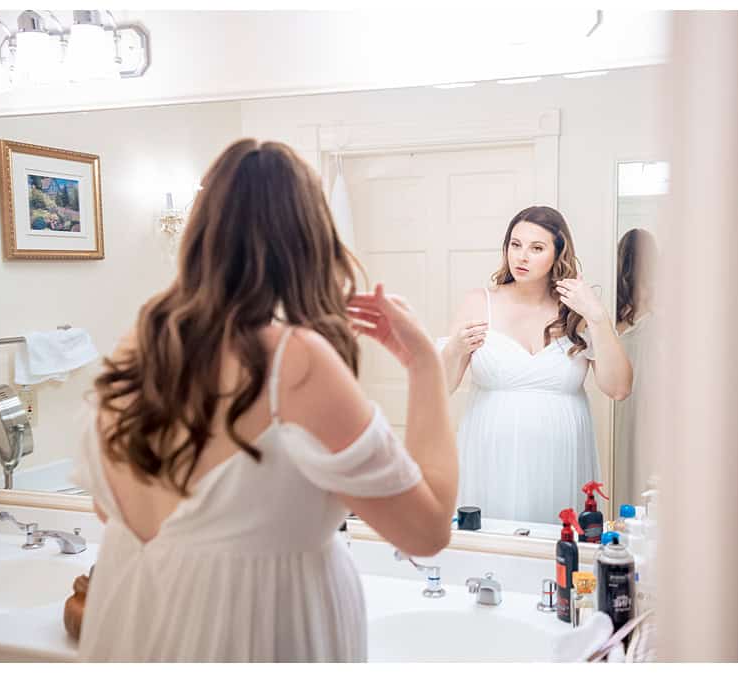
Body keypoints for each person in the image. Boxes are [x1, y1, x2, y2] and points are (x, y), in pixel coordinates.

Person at [71, 140, 458, 662]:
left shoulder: (140, 347)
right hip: (250, 637)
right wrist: (423, 363)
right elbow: (427, 531)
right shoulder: (294, 362)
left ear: (199, 233)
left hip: (141, 626)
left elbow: (106, 507)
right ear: (310, 239)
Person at [439, 205, 632, 524]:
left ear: (558, 254)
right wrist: (456, 349)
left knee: (557, 554)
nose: (521, 257)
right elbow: (439, 387)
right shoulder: (479, 302)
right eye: (515, 245)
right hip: (490, 456)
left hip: (560, 461)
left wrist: (596, 316)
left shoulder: (578, 312)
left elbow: (619, 388)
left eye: (536, 248)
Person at [613, 228, 659, 507]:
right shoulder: (615, 309)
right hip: (625, 395)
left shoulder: (662, 306)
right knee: (626, 459)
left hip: (648, 394)